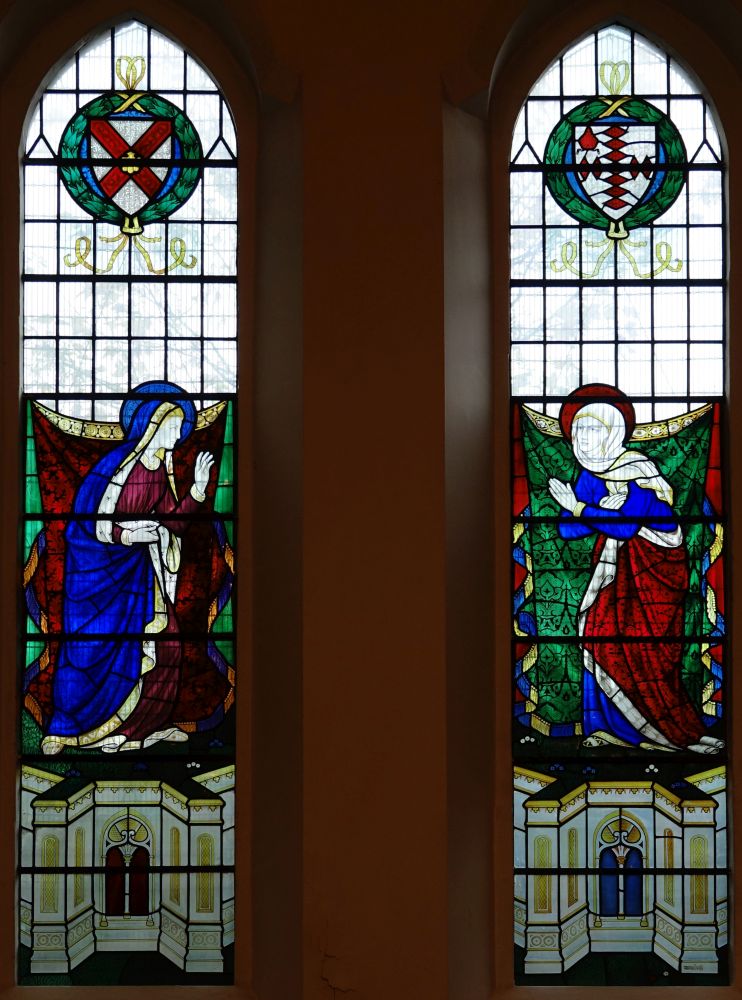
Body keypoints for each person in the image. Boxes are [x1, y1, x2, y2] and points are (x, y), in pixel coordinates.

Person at [547, 384, 722, 754]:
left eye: (592, 428)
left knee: (649, 656)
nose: (582, 438)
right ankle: (608, 729)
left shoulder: (639, 471)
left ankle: (673, 735)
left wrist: (580, 508)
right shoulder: (590, 477)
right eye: (577, 430)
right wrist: (586, 512)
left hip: (655, 576)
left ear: (613, 432)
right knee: (600, 637)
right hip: (614, 578)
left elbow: (626, 527)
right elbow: (567, 530)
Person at [41, 382, 214, 754]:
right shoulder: (115, 468)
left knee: (168, 643)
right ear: (152, 425)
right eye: (173, 426)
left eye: (181, 427)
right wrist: (126, 535)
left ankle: (142, 727)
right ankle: (69, 729)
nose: (178, 434)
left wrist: (197, 490)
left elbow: (173, 523)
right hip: (102, 578)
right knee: (92, 649)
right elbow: (84, 527)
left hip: (142, 575)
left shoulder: (161, 471)